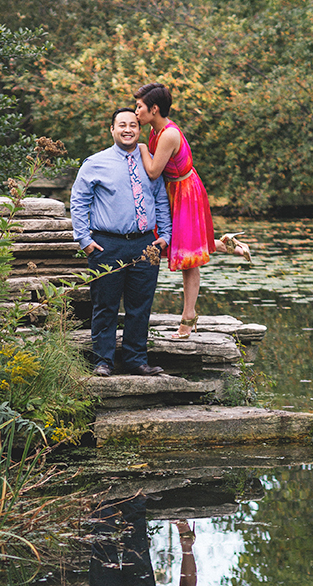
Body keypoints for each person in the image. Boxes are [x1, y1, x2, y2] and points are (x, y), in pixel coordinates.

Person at [133, 83, 252, 339]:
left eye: (139, 107)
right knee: (180, 245)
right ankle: (227, 244)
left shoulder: (167, 135)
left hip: (185, 194)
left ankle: (188, 320)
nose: (135, 112)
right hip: (173, 191)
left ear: (154, 109)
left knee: (188, 259)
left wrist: (141, 148)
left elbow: (153, 171)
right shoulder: (156, 130)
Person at [70, 109, 174, 378]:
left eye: (133, 125)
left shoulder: (150, 162)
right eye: (122, 125)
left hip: (146, 245)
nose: (128, 129)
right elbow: (79, 202)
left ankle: (135, 360)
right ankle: (102, 361)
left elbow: (161, 199)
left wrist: (165, 236)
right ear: (112, 129)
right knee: (105, 305)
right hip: (107, 244)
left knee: (140, 305)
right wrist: (85, 240)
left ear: (139, 130)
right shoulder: (95, 163)